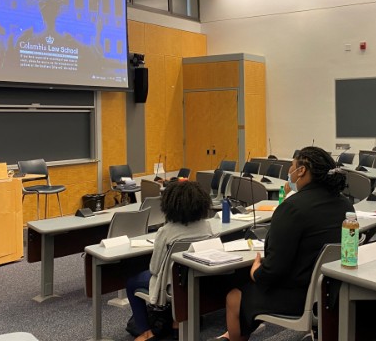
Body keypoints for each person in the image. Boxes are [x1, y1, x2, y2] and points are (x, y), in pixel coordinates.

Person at [213, 146, 354, 341]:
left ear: (302, 170)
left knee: (234, 295)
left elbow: (273, 271)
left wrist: (256, 272)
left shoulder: (292, 208)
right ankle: (232, 334)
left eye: (292, 166)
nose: (289, 171)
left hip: (298, 296)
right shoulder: (345, 204)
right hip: (331, 292)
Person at [125, 181, 213, 341]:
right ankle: (176, 324)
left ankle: (146, 332)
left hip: (170, 287)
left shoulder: (165, 231)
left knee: (132, 283)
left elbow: (155, 269)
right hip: (196, 280)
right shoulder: (206, 226)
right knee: (178, 276)